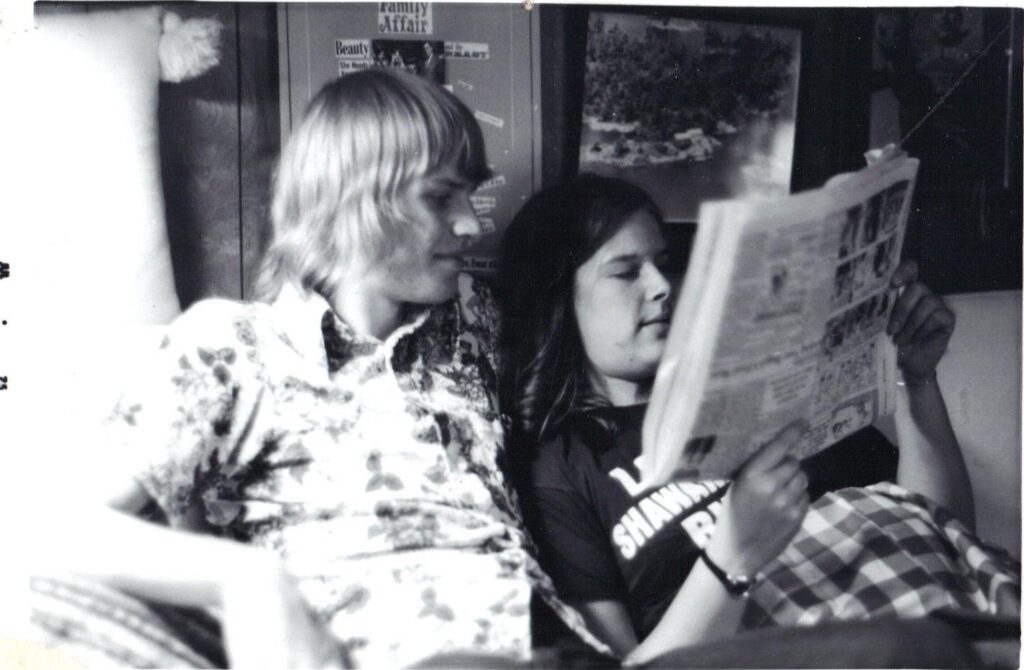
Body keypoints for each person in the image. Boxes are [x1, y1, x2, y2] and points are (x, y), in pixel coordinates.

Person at [29, 69, 603, 669]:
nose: (473, 224)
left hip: (558, 645)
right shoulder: (235, 347)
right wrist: (247, 580)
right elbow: (57, 527)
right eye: (440, 197)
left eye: (471, 194)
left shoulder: (480, 320)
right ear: (353, 200)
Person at [497, 174, 1020, 666]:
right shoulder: (562, 466)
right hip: (823, 643)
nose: (661, 285)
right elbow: (622, 663)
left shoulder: (766, 379)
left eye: (662, 262)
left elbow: (941, 528)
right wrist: (731, 554)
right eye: (626, 271)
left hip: (950, 610)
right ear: (558, 297)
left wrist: (917, 380)